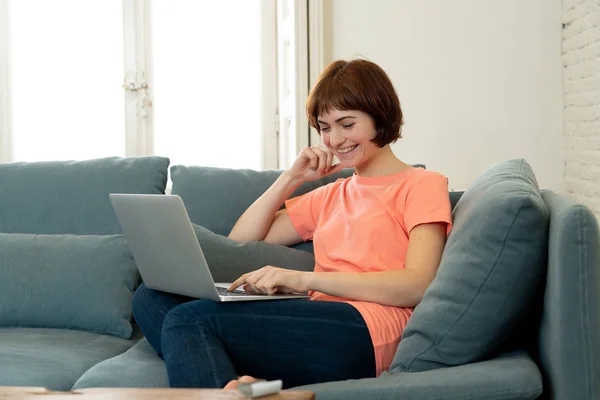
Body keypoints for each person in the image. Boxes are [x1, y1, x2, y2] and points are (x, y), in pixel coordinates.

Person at [132, 59, 453, 390]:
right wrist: (291, 178)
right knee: (151, 297)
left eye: (347, 123)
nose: (335, 139)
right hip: (317, 319)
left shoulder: (421, 184)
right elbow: (242, 239)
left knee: (190, 320)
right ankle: (235, 383)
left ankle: (221, 371)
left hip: (370, 328)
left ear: (379, 117)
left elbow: (417, 284)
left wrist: (304, 280)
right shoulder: (331, 194)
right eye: (325, 128)